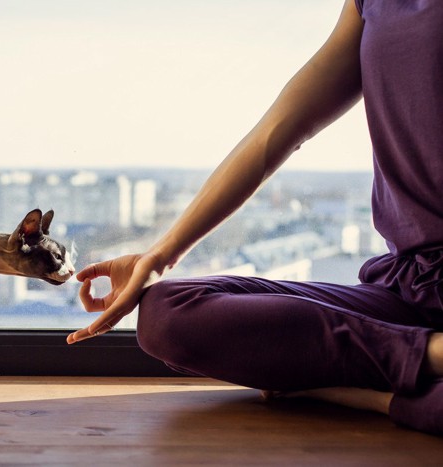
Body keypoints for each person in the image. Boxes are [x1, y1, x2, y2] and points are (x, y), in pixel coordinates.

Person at [66, 0, 443, 436]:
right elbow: (276, 133)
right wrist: (160, 255)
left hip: (406, 317)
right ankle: (431, 356)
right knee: (168, 315)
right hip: (409, 293)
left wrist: (356, 395)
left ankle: (372, 392)